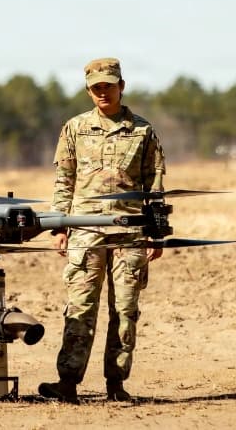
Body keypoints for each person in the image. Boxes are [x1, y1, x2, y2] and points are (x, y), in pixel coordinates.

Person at [38, 57, 166, 404]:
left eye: (108, 86)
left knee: (125, 310)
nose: (103, 93)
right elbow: (64, 180)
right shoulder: (74, 129)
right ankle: (67, 385)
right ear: (88, 90)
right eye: (96, 88)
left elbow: (154, 185)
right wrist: (59, 227)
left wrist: (156, 233)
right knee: (80, 307)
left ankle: (116, 384)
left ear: (121, 86)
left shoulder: (142, 130)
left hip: (130, 231)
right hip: (85, 230)